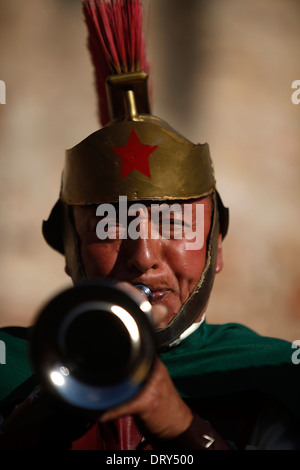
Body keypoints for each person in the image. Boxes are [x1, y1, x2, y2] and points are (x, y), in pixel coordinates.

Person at [1, 0, 300, 451]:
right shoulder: (12, 370)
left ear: (215, 247)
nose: (142, 257)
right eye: (109, 228)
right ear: (69, 249)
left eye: (175, 225)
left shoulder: (273, 376)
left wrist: (182, 426)